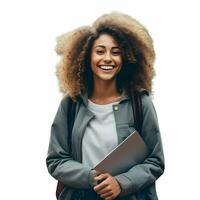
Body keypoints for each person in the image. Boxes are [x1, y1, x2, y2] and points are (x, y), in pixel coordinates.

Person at [46, 11, 165, 200]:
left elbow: (156, 161)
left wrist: (121, 183)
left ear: (126, 58)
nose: (108, 58)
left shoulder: (140, 103)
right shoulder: (71, 104)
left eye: (116, 52)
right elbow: (56, 160)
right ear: (86, 57)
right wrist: (91, 177)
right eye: (100, 51)